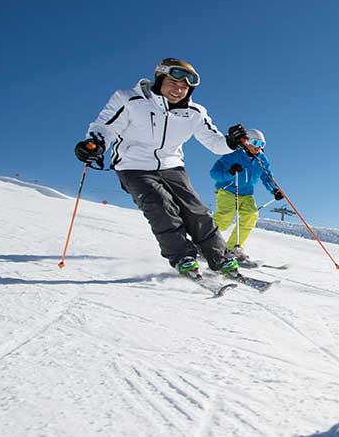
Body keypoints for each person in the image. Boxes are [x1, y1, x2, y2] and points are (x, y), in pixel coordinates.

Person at [74, 58, 254, 279]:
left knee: (196, 211)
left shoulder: (194, 112)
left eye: (185, 87)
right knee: (160, 206)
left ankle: (221, 258)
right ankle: (183, 258)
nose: (179, 90)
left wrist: (231, 142)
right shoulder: (129, 100)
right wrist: (95, 143)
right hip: (134, 166)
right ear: (159, 79)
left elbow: (214, 142)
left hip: (171, 166)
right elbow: (104, 127)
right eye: (173, 83)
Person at [209, 129, 283, 268]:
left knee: (251, 216)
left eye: (262, 144)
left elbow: (267, 177)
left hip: (247, 193)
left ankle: (232, 249)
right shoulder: (233, 155)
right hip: (228, 190)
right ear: (246, 141)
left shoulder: (262, 159)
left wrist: (275, 190)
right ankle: (206, 243)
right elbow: (214, 173)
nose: (258, 147)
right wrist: (230, 172)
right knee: (224, 219)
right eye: (255, 142)